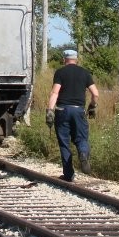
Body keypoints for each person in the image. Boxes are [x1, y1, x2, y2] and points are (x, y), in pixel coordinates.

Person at [45, 48, 99, 180]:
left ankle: (68, 174)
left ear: (64, 59)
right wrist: (92, 106)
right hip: (79, 110)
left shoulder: (60, 72)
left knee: (64, 142)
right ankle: (83, 153)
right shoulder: (85, 73)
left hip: (62, 110)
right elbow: (95, 93)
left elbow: (55, 92)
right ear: (77, 59)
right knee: (81, 138)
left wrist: (50, 111)